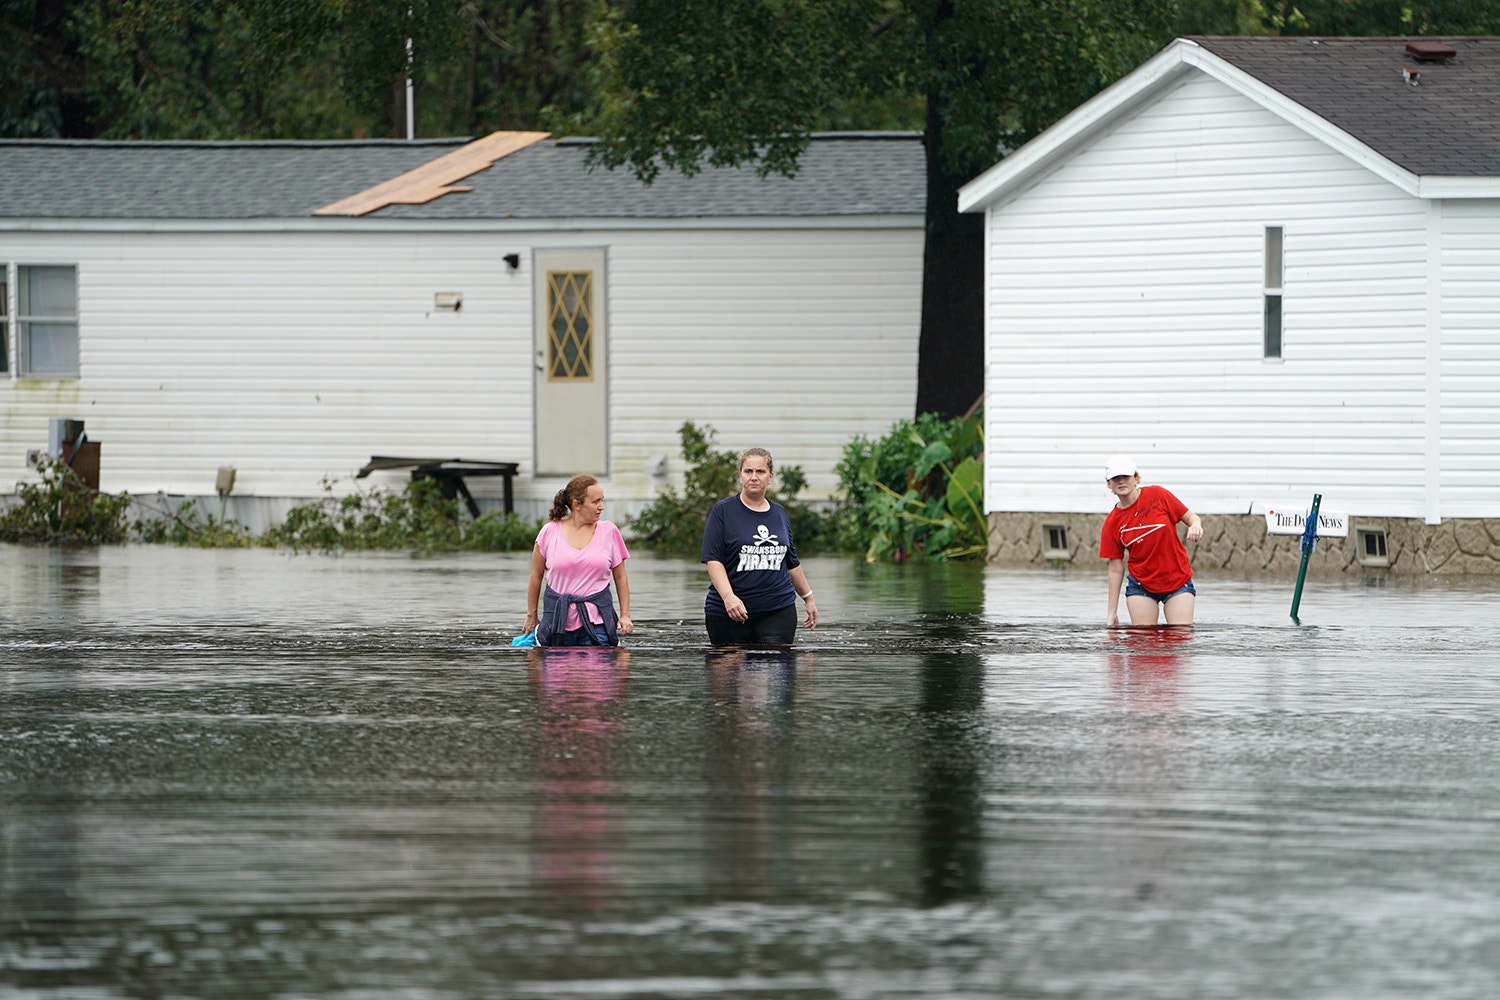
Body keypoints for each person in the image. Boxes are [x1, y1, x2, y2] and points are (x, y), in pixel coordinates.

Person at [701, 447, 818, 646]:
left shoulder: (779, 513)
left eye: (760, 471)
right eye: (748, 471)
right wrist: (729, 598)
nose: (754, 477)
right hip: (729, 612)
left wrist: (808, 598)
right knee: (730, 673)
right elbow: (713, 560)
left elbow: (791, 561)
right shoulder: (723, 512)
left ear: (770, 477)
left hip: (777, 609)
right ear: (740, 476)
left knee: (776, 667)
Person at [524, 474, 633, 646]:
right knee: (559, 670)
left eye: (602, 500)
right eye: (595, 501)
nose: (601, 507)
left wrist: (625, 615)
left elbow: (621, 577)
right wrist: (532, 615)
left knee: (595, 670)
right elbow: (535, 576)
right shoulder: (549, 532)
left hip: (598, 623)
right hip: (557, 622)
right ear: (577, 504)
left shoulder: (609, 532)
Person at [1099, 454, 1203, 627]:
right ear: (1109, 484)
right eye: (1116, 478)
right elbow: (1115, 569)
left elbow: (1191, 517)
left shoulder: (1158, 495)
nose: (1121, 481)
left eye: (1126, 476)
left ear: (1136, 478)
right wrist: (1112, 613)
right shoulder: (1111, 523)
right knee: (1144, 643)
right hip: (1141, 586)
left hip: (1177, 581)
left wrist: (1195, 525)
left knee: (1180, 637)